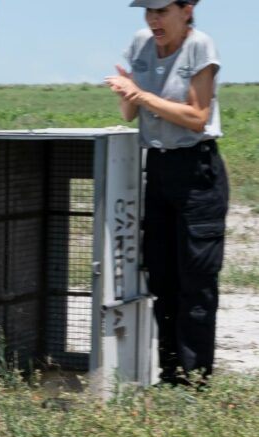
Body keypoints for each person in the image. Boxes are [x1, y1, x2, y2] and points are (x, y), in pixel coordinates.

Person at [106, 0, 228, 386]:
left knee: (196, 279)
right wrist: (126, 92)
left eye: (162, 11)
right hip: (157, 168)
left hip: (196, 171)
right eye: (148, 11)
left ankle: (197, 378)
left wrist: (141, 95)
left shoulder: (200, 46)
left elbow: (197, 117)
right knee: (161, 276)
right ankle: (170, 373)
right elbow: (129, 114)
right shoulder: (141, 43)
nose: (153, 20)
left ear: (187, 9)